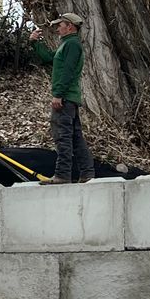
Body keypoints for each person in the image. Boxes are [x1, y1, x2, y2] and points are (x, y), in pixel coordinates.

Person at [28, 13, 94, 183]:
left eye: (60, 25)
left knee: (62, 136)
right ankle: (87, 173)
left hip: (65, 98)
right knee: (75, 137)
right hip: (70, 98)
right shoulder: (66, 44)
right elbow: (49, 58)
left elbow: (68, 72)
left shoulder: (72, 45)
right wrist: (35, 42)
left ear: (70, 27)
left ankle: (63, 175)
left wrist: (58, 94)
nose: (57, 28)